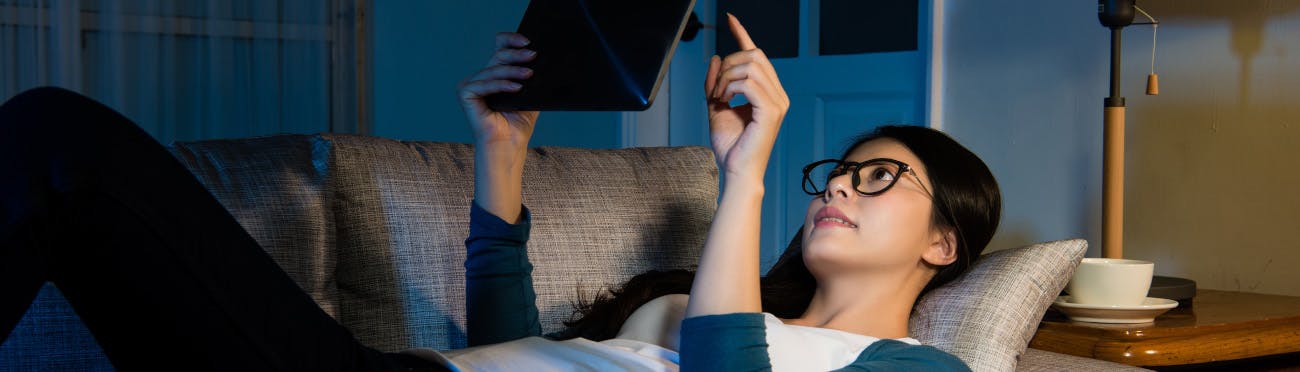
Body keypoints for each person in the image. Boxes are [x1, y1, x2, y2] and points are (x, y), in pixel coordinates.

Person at [0, 14, 995, 371]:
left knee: (62, 143)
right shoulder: (718, 297)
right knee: (53, 145)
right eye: (837, 171)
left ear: (943, 243)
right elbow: (503, 346)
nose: (839, 188)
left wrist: (747, 172)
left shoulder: (906, 370)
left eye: (878, 177)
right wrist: (502, 151)